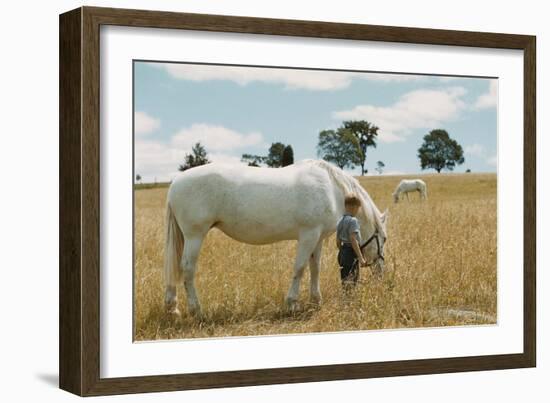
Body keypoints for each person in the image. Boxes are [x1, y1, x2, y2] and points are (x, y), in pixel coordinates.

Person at [336, 194, 366, 287]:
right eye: (358, 208)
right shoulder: (353, 221)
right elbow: (353, 239)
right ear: (353, 207)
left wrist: (342, 251)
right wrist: (360, 258)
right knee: (353, 280)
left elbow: (337, 240)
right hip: (351, 253)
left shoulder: (340, 220)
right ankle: (350, 300)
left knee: (345, 280)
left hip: (343, 252)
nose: (358, 210)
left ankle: (346, 299)